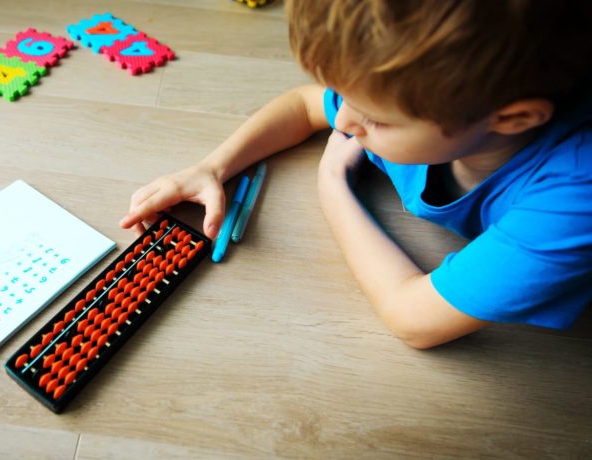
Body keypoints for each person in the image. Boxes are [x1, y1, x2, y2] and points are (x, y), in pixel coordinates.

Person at [118, 0, 592, 349]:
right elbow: (305, 104)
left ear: (512, 119)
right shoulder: (434, 99)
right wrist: (212, 167)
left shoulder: (573, 201)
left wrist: (333, 188)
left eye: (375, 119)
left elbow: (413, 319)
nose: (342, 121)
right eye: (342, 95)